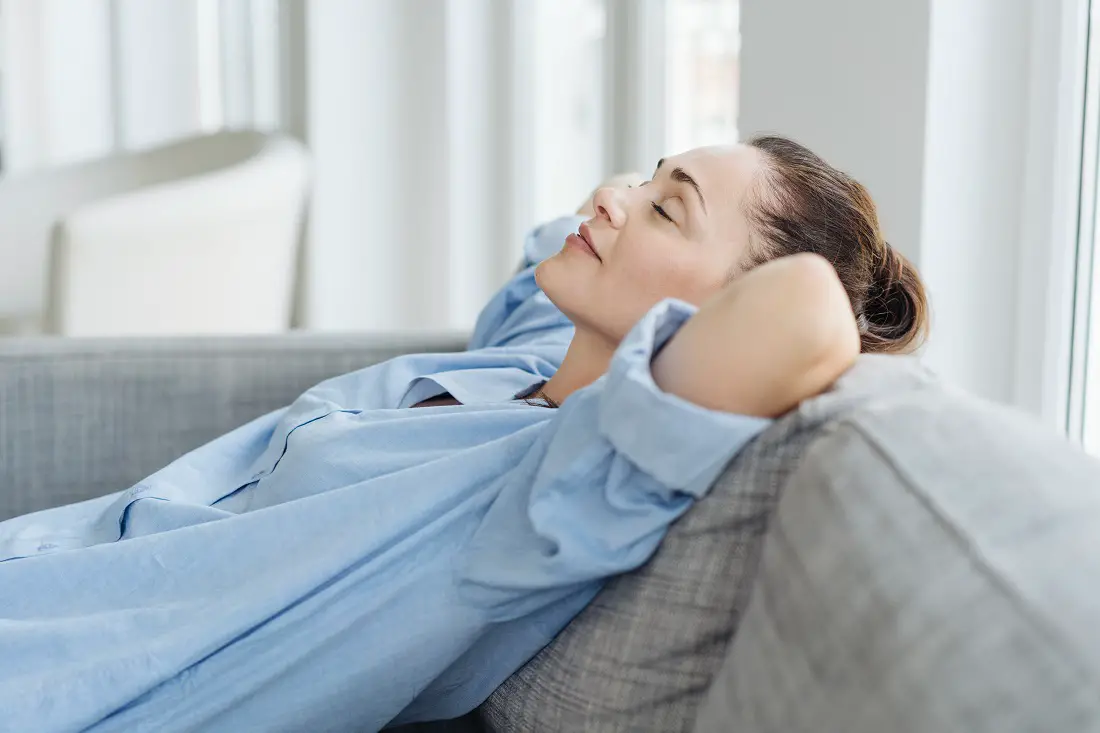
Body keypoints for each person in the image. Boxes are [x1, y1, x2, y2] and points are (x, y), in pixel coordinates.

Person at [0, 136, 928, 732]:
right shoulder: (527, 364)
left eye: (665, 206)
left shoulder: (567, 489)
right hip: (39, 567)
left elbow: (805, 311)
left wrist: (749, 296)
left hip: (67, 686)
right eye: (646, 173)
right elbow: (543, 249)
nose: (612, 196)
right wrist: (663, 206)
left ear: (710, 313)